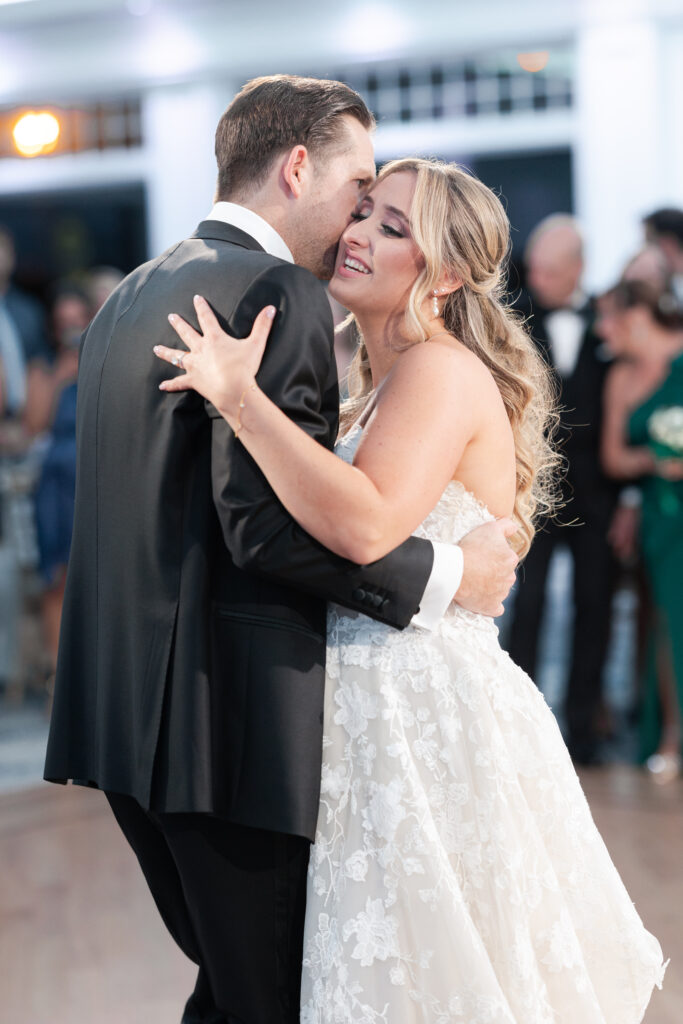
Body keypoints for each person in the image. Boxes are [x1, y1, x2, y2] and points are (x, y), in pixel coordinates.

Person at [43, 76, 518, 1024]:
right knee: (270, 995)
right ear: (299, 167)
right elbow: (262, 529)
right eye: (360, 190)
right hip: (229, 730)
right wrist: (451, 574)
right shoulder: (272, 294)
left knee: (235, 989)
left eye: (386, 216)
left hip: (123, 720)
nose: (356, 219)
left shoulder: (137, 288)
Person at [156, 158, 665, 1024]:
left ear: (449, 271)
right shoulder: (367, 374)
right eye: (362, 213)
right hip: (366, 699)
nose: (356, 234)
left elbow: (362, 525)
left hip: (417, 707)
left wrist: (240, 401)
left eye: (392, 227)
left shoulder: (438, 369)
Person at [505, 214, 619, 765]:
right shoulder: (515, 318)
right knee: (524, 606)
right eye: (536, 268)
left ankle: (585, 731)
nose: (539, 278)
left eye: (552, 270)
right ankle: (518, 729)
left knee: (594, 606)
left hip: (600, 494)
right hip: (534, 488)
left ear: (578, 269)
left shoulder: (608, 322)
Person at [601, 275, 683, 783]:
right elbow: (613, 457)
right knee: (667, 625)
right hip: (660, 518)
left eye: (608, 318)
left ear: (634, 317)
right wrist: (660, 459)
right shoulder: (620, 378)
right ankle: (671, 736)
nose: (601, 330)